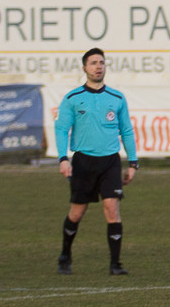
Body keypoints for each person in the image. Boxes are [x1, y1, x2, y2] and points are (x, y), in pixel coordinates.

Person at [54, 47, 138, 276]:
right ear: (85, 68)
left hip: (110, 161)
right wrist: (63, 159)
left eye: (101, 62)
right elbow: (61, 129)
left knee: (112, 208)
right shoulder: (73, 98)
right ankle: (65, 255)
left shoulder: (117, 98)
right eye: (93, 63)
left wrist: (132, 162)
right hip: (83, 162)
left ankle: (115, 265)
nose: (98, 66)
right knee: (77, 213)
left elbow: (127, 131)